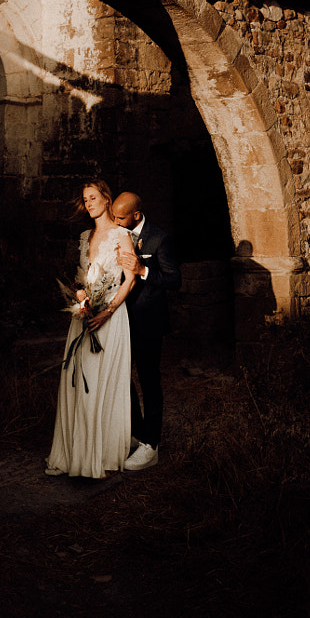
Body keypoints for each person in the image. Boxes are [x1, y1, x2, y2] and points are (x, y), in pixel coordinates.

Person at [45, 180, 137, 479]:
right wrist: (80, 298)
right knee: (77, 383)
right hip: (84, 318)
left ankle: (103, 454)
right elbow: (83, 278)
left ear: (106, 199)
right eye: (85, 199)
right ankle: (75, 454)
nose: (89, 203)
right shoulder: (85, 237)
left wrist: (107, 311)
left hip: (109, 318)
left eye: (94, 197)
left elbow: (129, 279)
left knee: (100, 383)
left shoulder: (122, 235)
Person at [112, 192, 182, 471]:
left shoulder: (159, 238)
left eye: (120, 217)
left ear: (136, 216)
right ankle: (138, 433)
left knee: (149, 382)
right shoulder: (118, 234)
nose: (115, 222)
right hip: (120, 320)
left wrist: (143, 269)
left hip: (149, 322)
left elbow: (174, 280)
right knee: (120, 377)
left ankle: (151, 445)